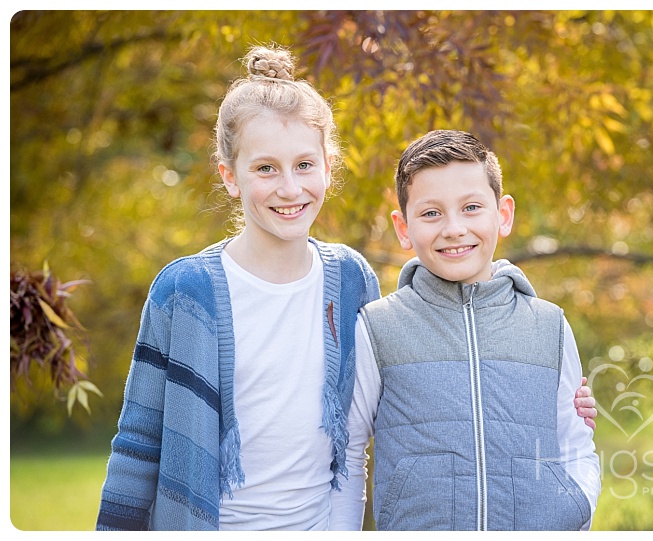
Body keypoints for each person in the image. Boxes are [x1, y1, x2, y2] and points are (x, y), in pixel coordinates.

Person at [95, 46, 597, 531]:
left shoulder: (349, 278)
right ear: (230, 176)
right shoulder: (185, 291)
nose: (290, 188)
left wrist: (547, 403)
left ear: (327, 169)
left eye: (304, 165)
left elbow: (400, 394)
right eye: (265, 168)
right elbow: (139, 442)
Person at [348, 129, 602, 530]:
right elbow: (348, 452)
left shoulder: (548, 325)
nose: (453, 228)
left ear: (502, 215)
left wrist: (576, 507)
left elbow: (575, 443)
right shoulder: (379, 327)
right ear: (402, 226)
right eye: (431, 213)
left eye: (471, 208)